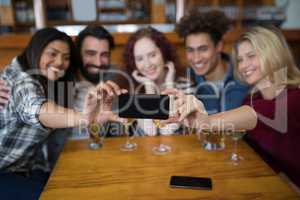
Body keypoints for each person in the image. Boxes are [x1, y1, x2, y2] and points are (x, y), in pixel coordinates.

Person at [0, 27, 126, 199]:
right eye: (52, 53)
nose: (59, 61)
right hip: (8, 171)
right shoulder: (23, 80)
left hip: (31, 169)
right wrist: (84, 118)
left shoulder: (55, 79)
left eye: (65, 57)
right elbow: (35, 107)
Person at [167, 26, 300, 187]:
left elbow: (260, 114)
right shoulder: (252, 98)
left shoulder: (294, 97)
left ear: (273, 54)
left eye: (251, 56)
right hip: (271, 182)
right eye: (240, 60)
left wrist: (206, 121)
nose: (244, 66)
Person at [175, 10, 250, 114]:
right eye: (190, 50)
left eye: (203, 49)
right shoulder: (185, 82)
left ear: (219, 46)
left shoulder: (245, 75)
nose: (196, 58)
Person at [123, 27, 192, 136]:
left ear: (163, 53)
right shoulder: (133, 91)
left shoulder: (185, 85)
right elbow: (151, 132)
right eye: (140, 59)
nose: (147, 64)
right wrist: (149, 86)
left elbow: (167, 131)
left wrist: (169, 85)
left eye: (152, 55)